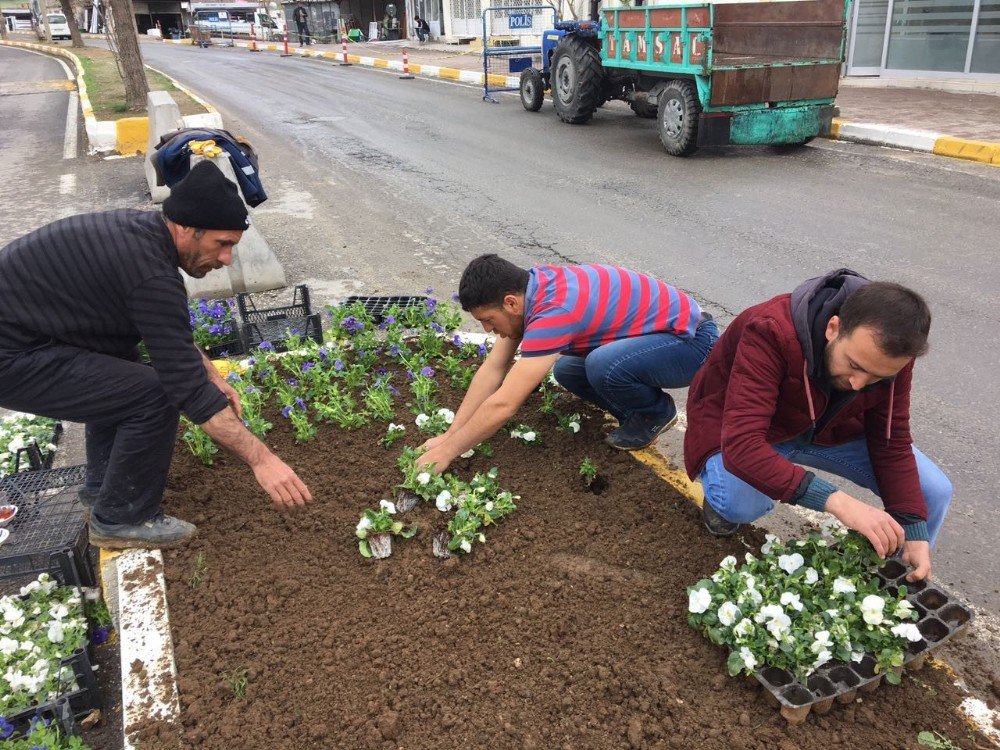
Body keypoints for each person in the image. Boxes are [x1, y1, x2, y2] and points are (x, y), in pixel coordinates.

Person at [0, 161, 312, 549]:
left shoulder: (144, 236)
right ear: (185, 228)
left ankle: (103, 493)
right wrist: (263, 461)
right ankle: (121, 519)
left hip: (35, 333)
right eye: (223, 244)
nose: (227, 259)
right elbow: (186, 391)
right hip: (13, 355)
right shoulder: (149, 273)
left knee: (124, 374)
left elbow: (171, 336)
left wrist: (213, 376)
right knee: (156, 393)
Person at [684, 268, 951, 582]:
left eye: (876, 377)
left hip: (827, 432)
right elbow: (742, 444)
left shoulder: (890, 358)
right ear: (833, 327)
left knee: (933, 491)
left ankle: (886, 578)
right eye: (853, 364)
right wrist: (838, 502)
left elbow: (891, 442)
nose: (858, 383)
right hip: (752, 431)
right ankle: (722, 504)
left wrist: (913, 524)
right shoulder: (770, 330)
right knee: (739, 501)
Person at [417, 253, 718, 472]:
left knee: (602, 365)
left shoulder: (554, 310)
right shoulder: (532, 290)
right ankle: (638, 413)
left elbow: (504, 404)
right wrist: (450, 435)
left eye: (487, 320)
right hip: (663, 336)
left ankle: (655, 413)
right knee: (568, 370)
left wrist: (448, 453)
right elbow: (493, 369)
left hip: (692, 343)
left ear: (510, 303)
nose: (487, 329)